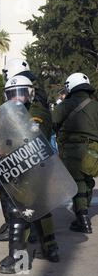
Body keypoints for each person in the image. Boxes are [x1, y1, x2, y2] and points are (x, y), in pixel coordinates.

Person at [0, 75, 60, 274]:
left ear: (30, 93)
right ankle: (50, 249)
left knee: (19, 211)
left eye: (20, 93)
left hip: (32, 167)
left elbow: (32, 139)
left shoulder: (36, 113)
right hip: (22, 167)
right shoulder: (12, 114)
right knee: (41, 209)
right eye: (11, 94)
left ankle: (19, 259)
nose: (16, 99)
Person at [53, 73, 98, 234]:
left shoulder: (67, 104)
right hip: (94, 150)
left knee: (77, 183)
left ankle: (83, 219)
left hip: (73, 149)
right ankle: (83, 213)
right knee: (87, 181)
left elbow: (53, 121)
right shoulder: (95, 105)